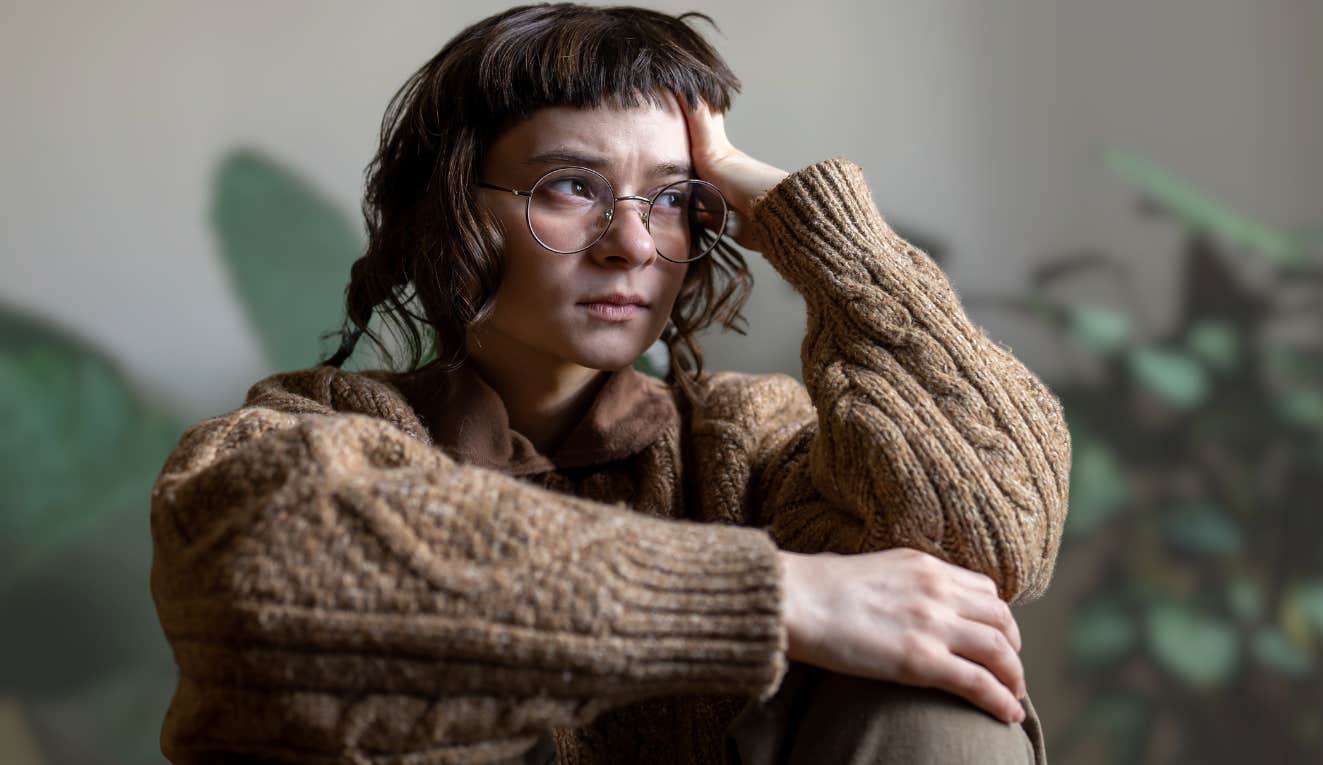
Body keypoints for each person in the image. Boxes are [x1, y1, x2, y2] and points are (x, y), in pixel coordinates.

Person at [148, 4, 1071, 763]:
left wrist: (826, 237)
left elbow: (997, 526)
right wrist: (781, 597)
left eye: (673, 198)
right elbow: (266, 582)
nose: (632, 243)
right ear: (457, 210)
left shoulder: (744, 445)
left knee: (939, 702)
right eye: (571, 186)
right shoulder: (305, 430)